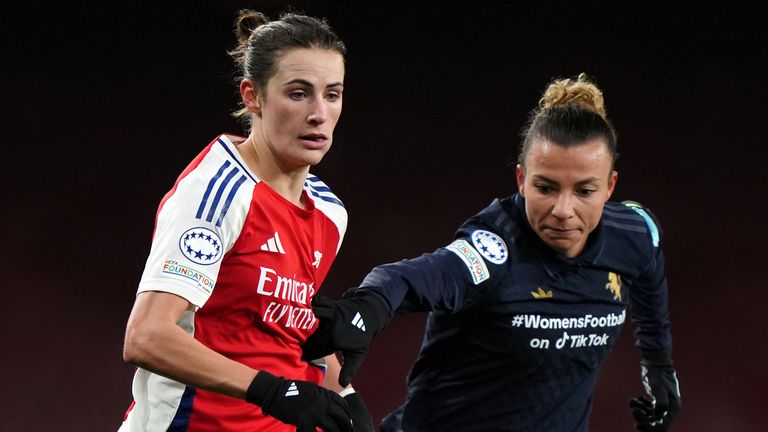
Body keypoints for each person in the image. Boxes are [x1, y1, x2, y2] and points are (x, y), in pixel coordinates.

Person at [302, 74, 682, 431]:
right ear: (521, 179)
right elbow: (419, 276)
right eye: (546, 188)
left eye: (584, 191)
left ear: (610, 185)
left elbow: (649, 273)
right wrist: (369, 306)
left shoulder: (634, 233)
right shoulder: (495, 249)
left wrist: (658, 363)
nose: (563, 210)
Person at [118, 10, 374, 432]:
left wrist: (342, 394)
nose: (318, 114)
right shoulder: (217, 191)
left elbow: (284, 324)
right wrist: (272, 392)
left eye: (332, 95)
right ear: (252, 96)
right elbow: (146, 336)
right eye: (298, 93)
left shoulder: (330, 211)